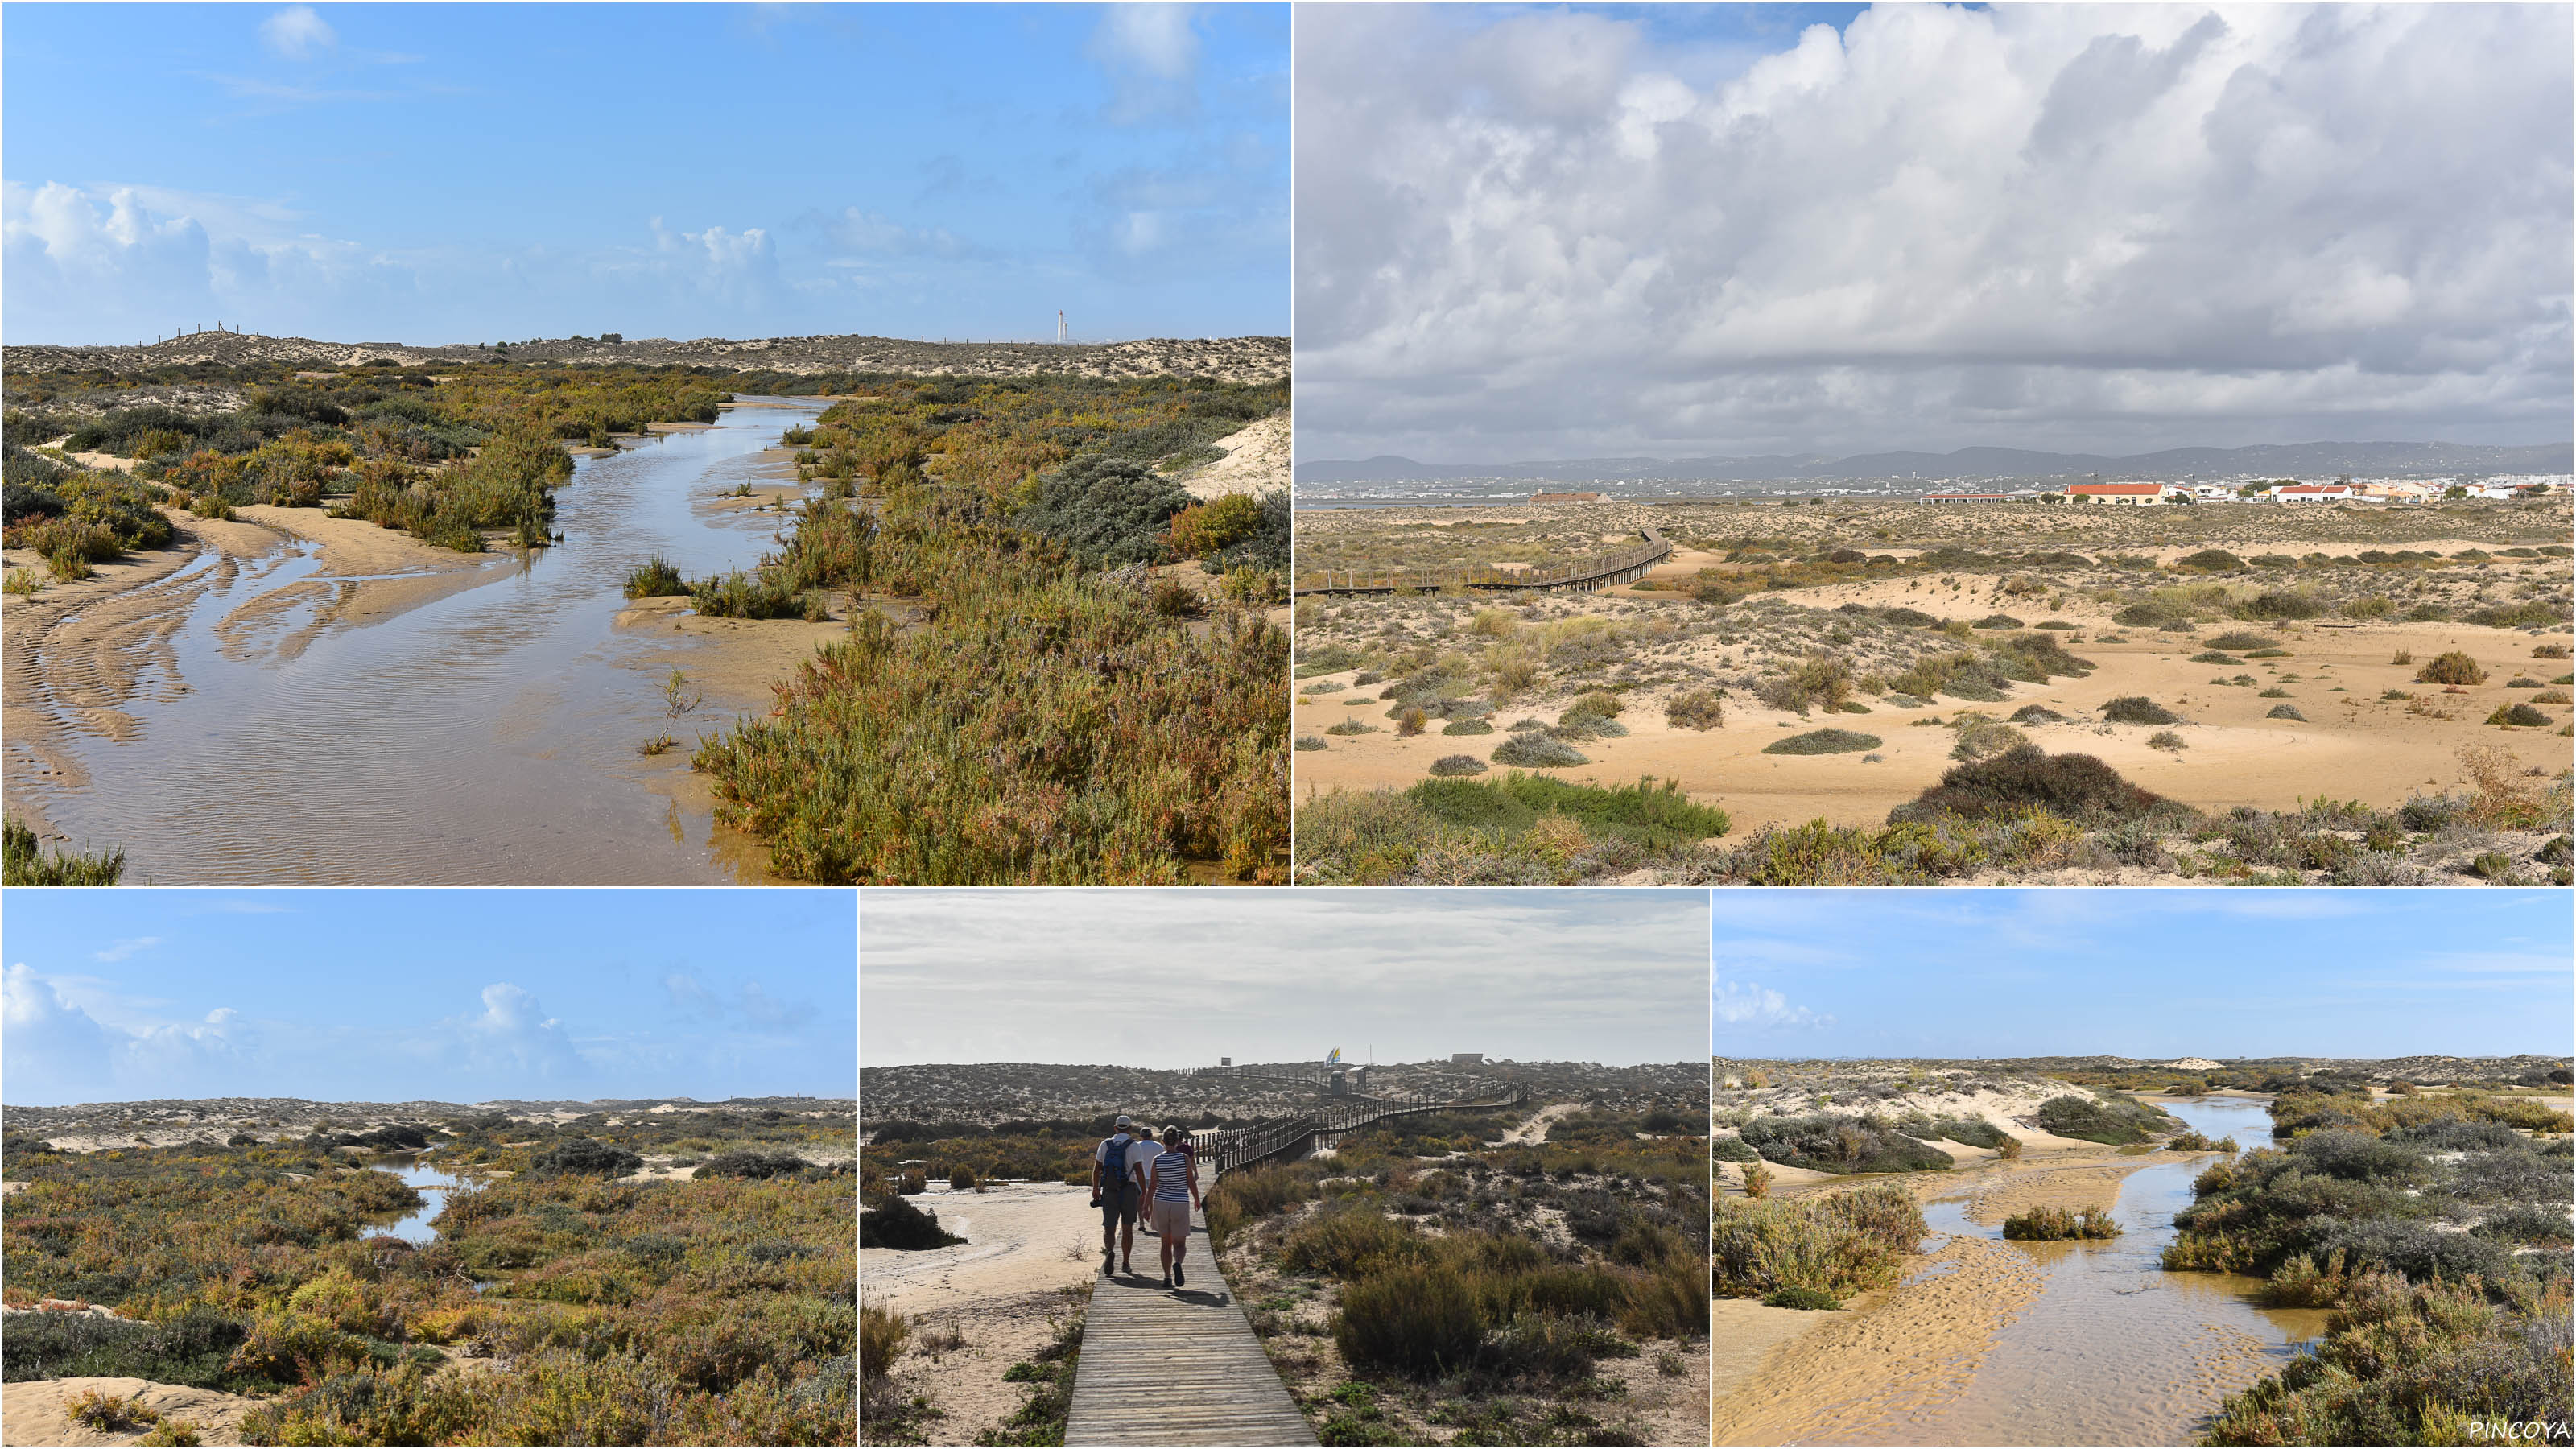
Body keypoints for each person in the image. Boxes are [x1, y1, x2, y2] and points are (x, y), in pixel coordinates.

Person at [1146, 1125, 1202, 1290]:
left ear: (1162, 1141)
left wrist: (1145, 1207)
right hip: (1180, 1202)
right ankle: (1177, 1263)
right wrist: (1197, 1199)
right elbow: (1191, 1182)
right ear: (1177, 1141)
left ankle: (1167, 1277)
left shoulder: (1157, 1160)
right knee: (1179, 1244)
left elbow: (1153, 1186)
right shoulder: (1184, 1158)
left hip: (1161, 1202)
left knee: (1165, 1243)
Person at [1090, 1115, 1142, 1276]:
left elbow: (1097, 1168)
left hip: (1109, 1190)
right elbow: (1139, 1170)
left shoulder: (1105, 1145)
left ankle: (1110, 1251)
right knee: (1127, 1228)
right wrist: (1145, 1192)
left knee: (1109, 1227)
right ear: (1130, 1129)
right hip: (1128, 1190)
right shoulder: (1134, 1146)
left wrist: (1095, 1188)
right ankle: (1126, 1263)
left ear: (1115, 1128)